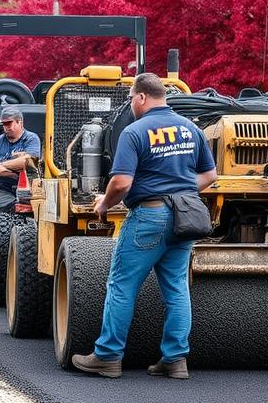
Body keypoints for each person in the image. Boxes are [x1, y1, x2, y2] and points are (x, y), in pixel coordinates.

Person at [71, 73, 217, 380]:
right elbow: (209, 176)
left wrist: (103, 204)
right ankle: (175, 360)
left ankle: (108, 356)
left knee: (122, 286)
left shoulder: (135, 131)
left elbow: (122, 182)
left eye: (131, 100)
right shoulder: (192, 129)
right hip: (184, 216)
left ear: (141, 98)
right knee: (177, 289)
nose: (131, 105)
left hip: (149, 217)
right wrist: (178, 189)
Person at [0, 105, 42, 212]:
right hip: (1, 187)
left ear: (20, 122)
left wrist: (0, 166)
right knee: (5, 208)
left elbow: (28, 162)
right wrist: (13, 172)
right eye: (4, 124)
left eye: (9, 123)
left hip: (29, 187)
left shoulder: (31, 138)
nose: (6, 127)